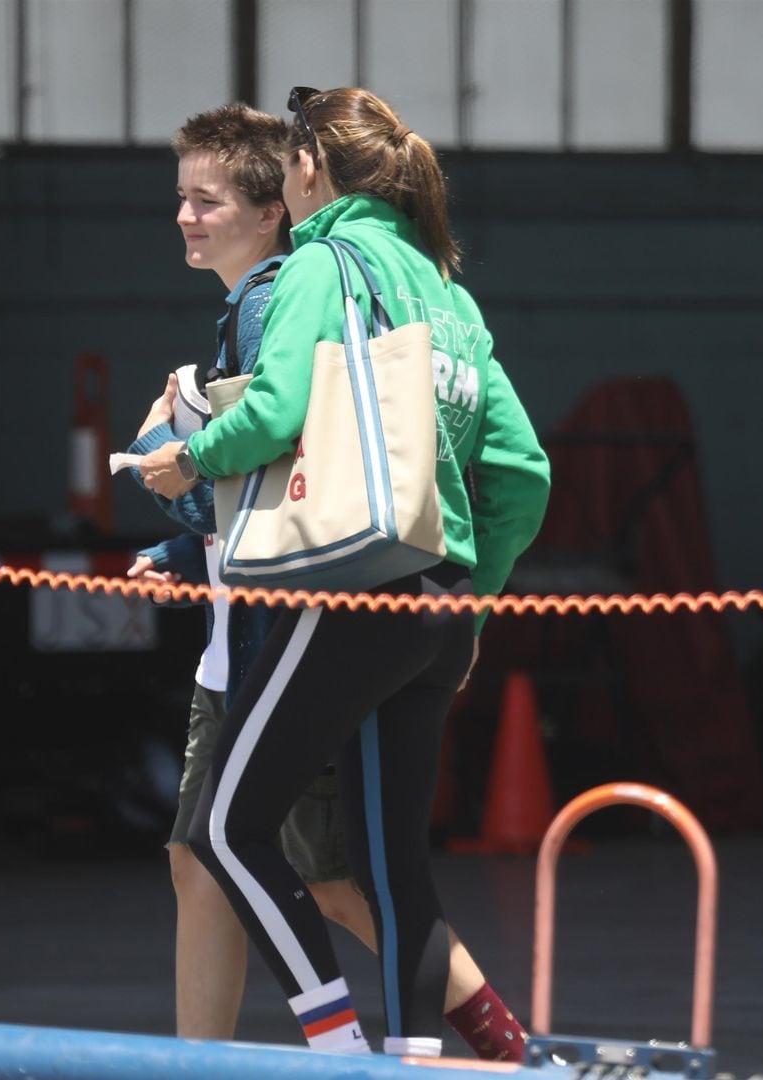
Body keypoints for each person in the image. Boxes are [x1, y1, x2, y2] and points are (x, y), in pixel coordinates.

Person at [138, 87, 551, 1058]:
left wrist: (187, 461)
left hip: (354, 593)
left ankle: (339, 1052)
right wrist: (474, 601)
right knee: (394, 874)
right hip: (442, 607)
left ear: (311, 172)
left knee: (229, 835)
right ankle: (425, 1065)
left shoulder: (325, 261)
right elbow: (522, 474)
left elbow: (279, 411)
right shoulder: (447, 289)